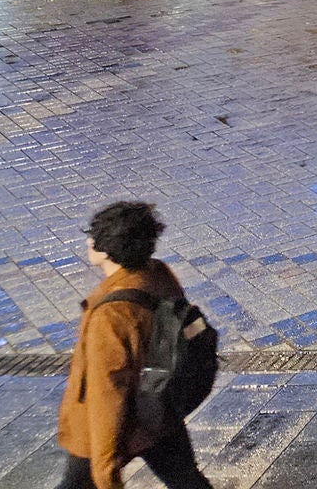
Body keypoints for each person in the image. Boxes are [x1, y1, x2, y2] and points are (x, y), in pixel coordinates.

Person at [57, 201, 215, 489]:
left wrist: (106, 470)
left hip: (112, 423)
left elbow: (107, 392)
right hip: (157, 406)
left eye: (94, 235)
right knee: (186, 480)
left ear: (106, 249)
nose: (88, 240)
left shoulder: (111, 314)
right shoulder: (158, 274)